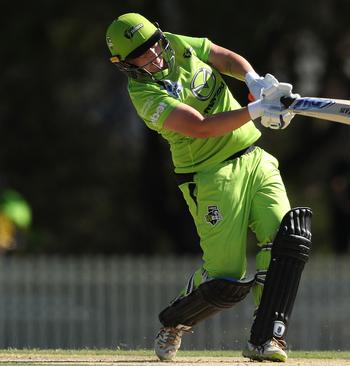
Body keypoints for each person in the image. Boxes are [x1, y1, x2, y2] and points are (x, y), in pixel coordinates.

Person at [105, 13, 313, 362]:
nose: (154, 55)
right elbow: (199, 127)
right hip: (209, 176)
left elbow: (221, 56)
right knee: (225, 278)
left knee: (286, 241)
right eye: (141, 54)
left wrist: (253, 80)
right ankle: (174, 323)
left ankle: (267, 339)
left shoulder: (176, 43)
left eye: (153, 43)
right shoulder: (144, 94)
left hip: (253, 157)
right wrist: (258, 108)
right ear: (125, 64)